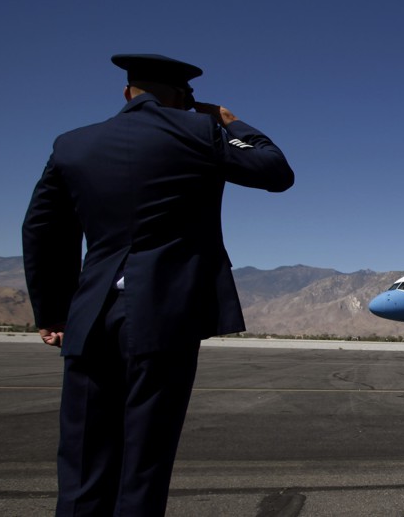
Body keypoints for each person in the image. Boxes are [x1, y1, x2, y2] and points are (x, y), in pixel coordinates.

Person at [23, 53, 294, 516]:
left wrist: (54, 312)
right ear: (181, 97)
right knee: (144, 458)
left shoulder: (72, 144)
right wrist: (230, 121)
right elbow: (275, 172)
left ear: (127, 92)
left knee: (83, 455)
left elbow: (42, 229)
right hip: (164, 315)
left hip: (90, 317)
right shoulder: (198, 133)